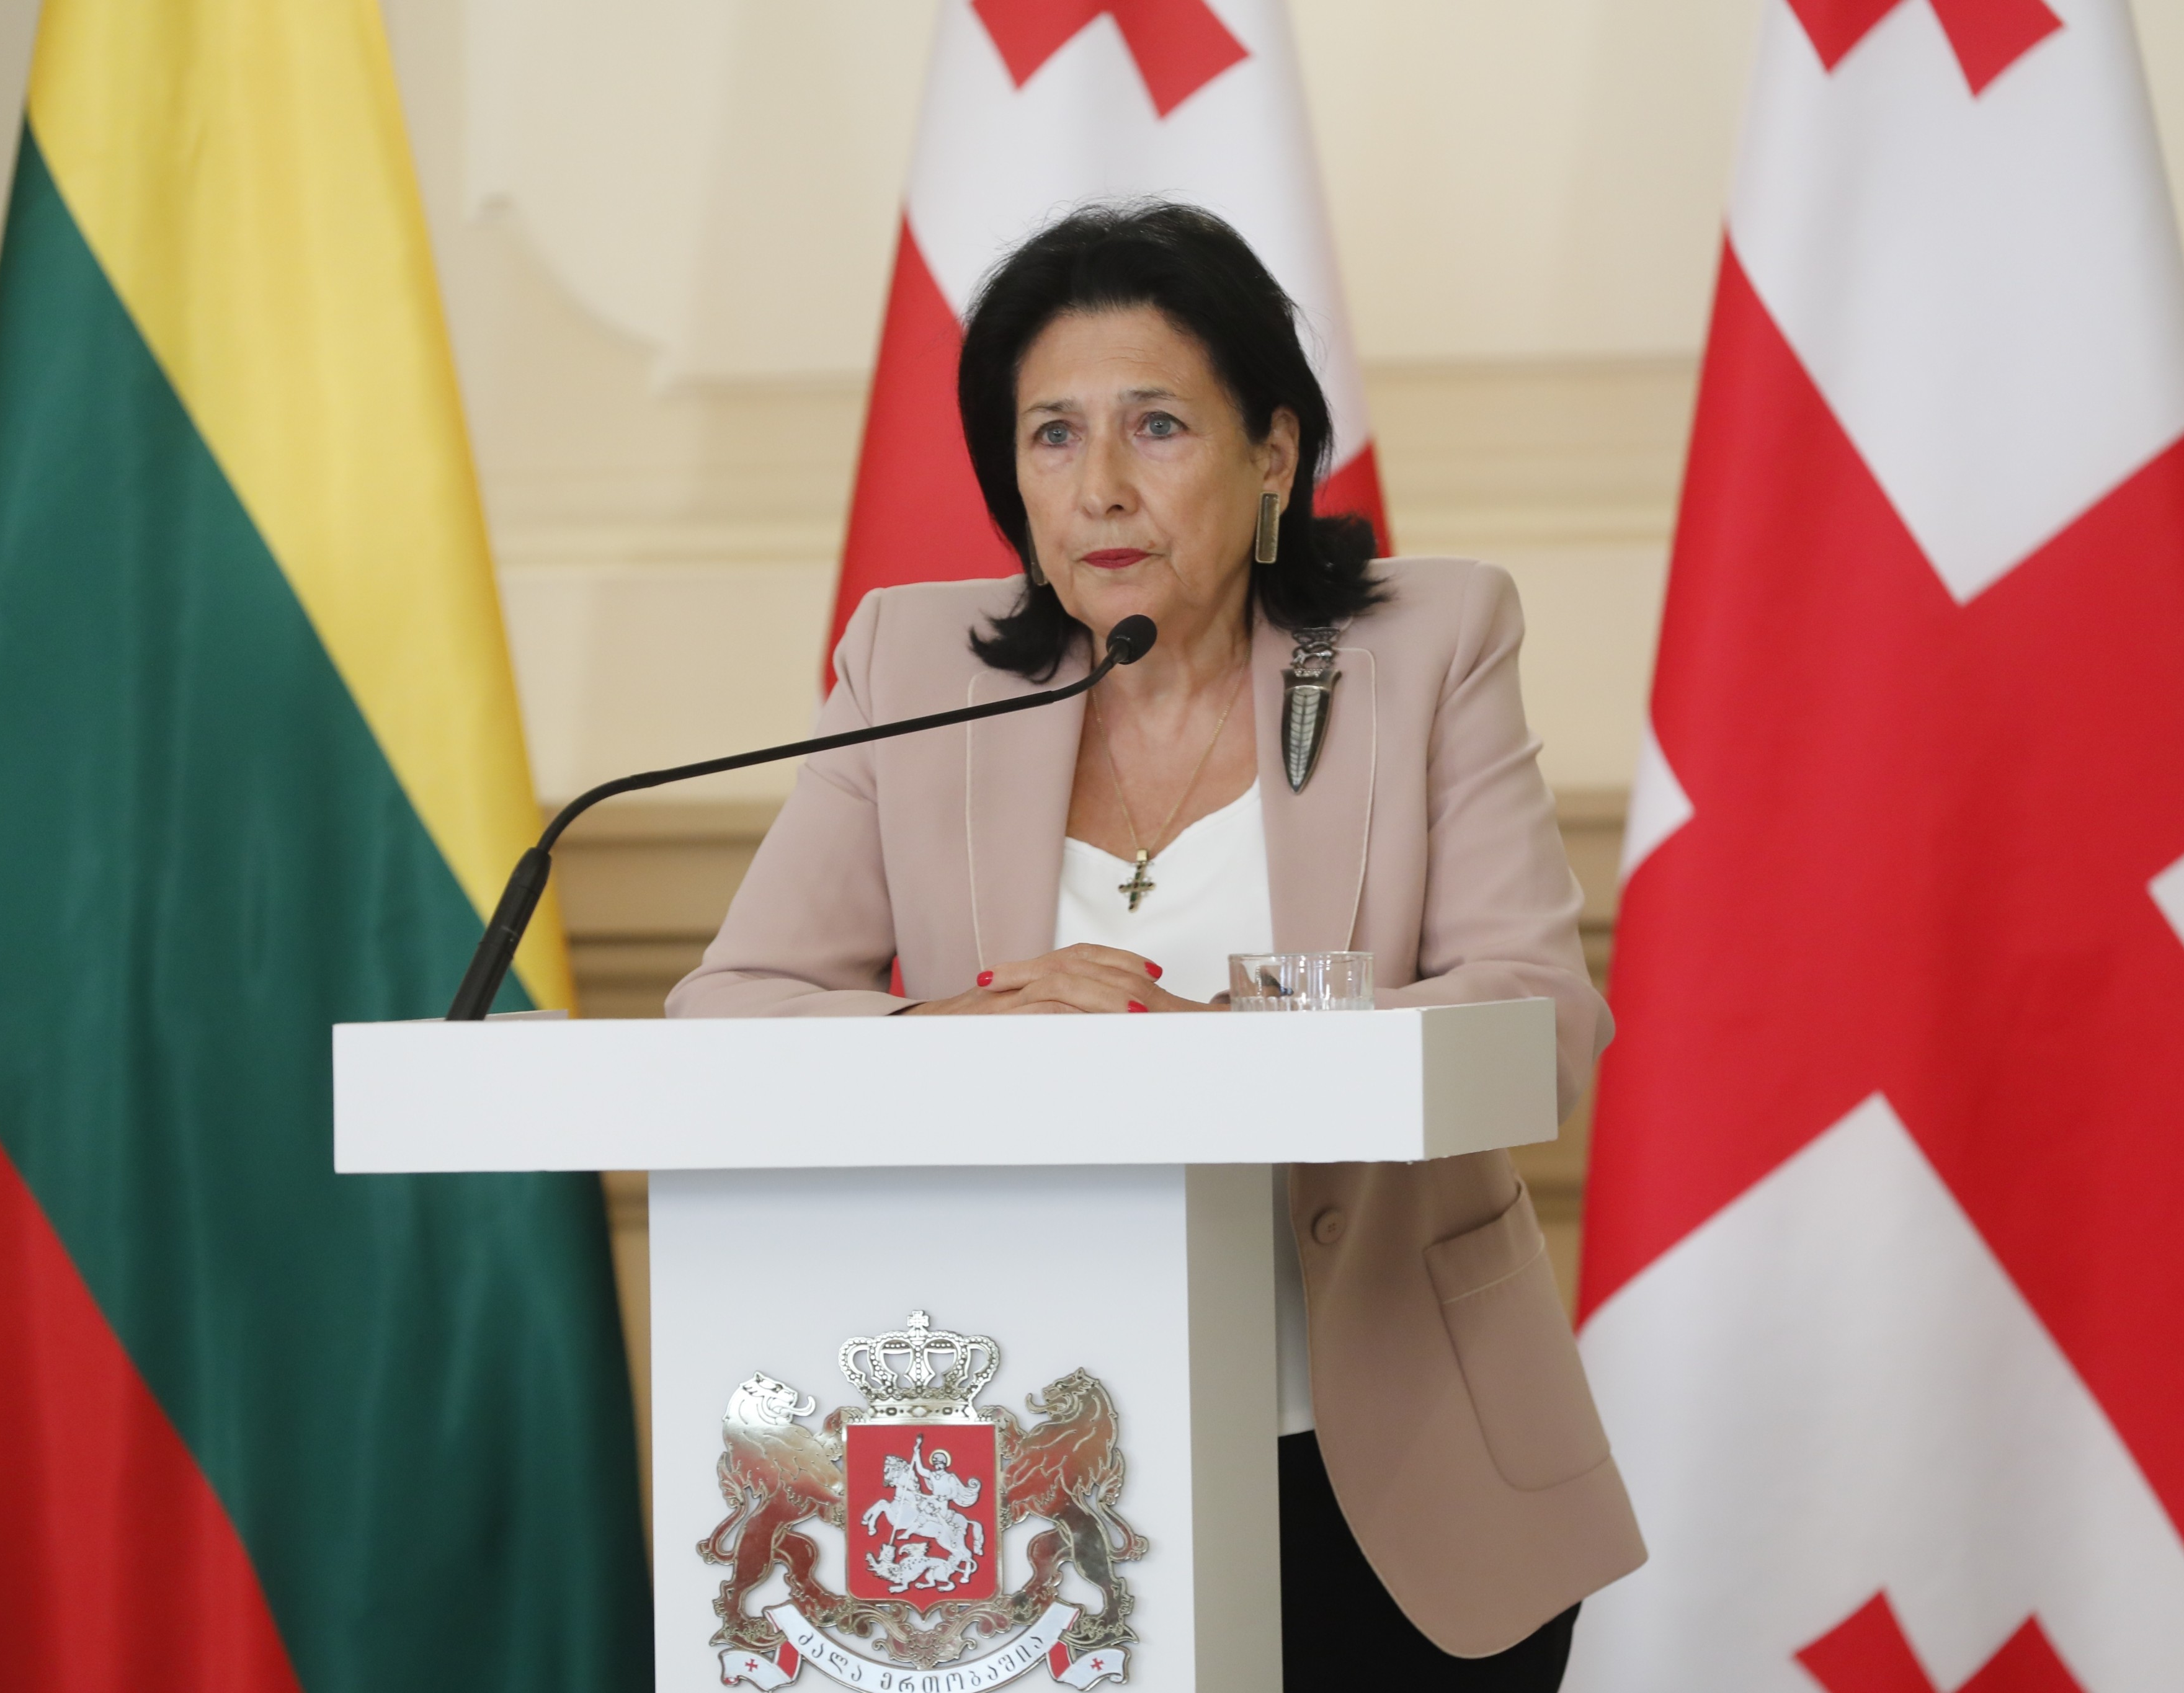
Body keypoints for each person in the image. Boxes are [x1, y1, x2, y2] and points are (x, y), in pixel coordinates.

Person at [669, 202, 1644, 1684]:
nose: (1101, 488)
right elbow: (725, 1008)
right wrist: (947, 1029)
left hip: (1383, 1467)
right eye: (1051, 435)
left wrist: (1246, 1060)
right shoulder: (912, 666)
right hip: (1032, 1502)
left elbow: (1536, 1020)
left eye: (1157, 428)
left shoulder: (1426, 645)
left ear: (1270, 452)